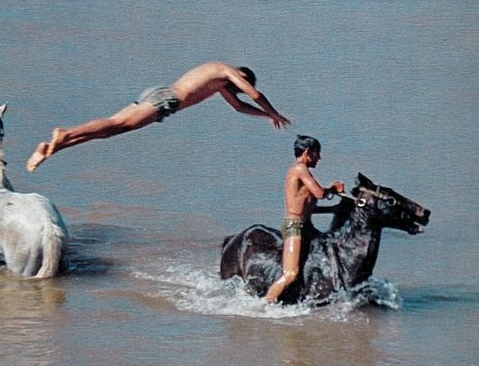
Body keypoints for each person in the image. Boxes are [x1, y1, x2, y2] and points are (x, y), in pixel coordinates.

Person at [26, 61, 291, 171]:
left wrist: (265, 118)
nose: (236, 90)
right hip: (167, 100)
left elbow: (240, 106)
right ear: (242, 75)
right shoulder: (226, 71)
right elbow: (253, 94)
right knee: (117, 124)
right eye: (237, 86)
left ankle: (54, 147)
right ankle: (66, 133)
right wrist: (274, 112)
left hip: (159, 93)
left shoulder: (218, 80)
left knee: (110, 130)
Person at [264, 135, 345, 304]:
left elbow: (308, 208)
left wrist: (332, 209)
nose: (319, 158)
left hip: (307, 225)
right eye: (317, 154)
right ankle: (264, 306)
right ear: (307, 152)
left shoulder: (302, 171)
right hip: (294, 226)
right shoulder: (299, 169)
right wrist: (333, 188)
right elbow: (320, 193)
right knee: (291, 274)